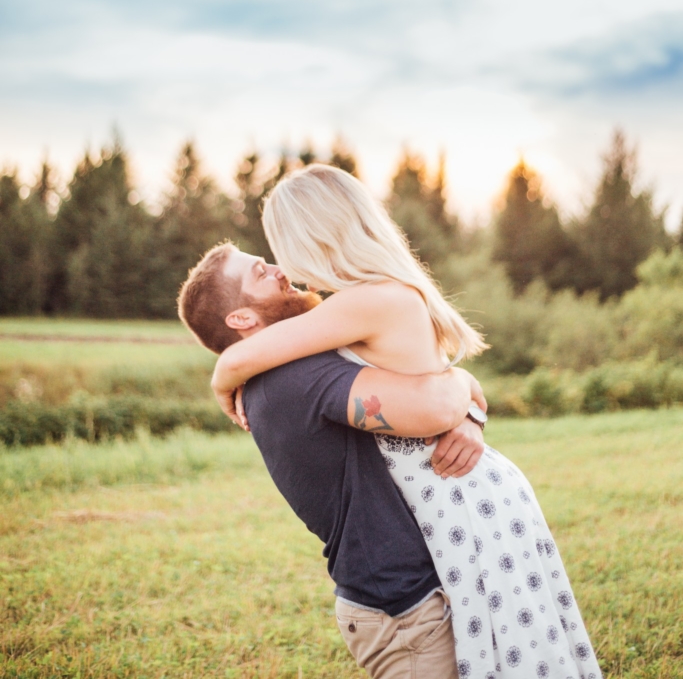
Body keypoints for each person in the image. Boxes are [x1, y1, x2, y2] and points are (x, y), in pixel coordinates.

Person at [210, 164, 603, 679]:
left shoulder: (366, 302)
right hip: (461, 496)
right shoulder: (372, 298)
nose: (283, 265)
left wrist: (221, 381)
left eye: (279, 246)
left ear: (314, 236)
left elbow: (241, 359)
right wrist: (467, 399)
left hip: (462, 499)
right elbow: (441, 381)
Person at [178, 241, 488, 678]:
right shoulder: (290, 378)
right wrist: (460, 382)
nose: (279, 269)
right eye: (259, 272)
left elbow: (429, 401)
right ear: (241, 318)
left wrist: (469, 415)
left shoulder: (292, 368)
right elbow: (434, 404)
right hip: (402, 611)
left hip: (405, 598)